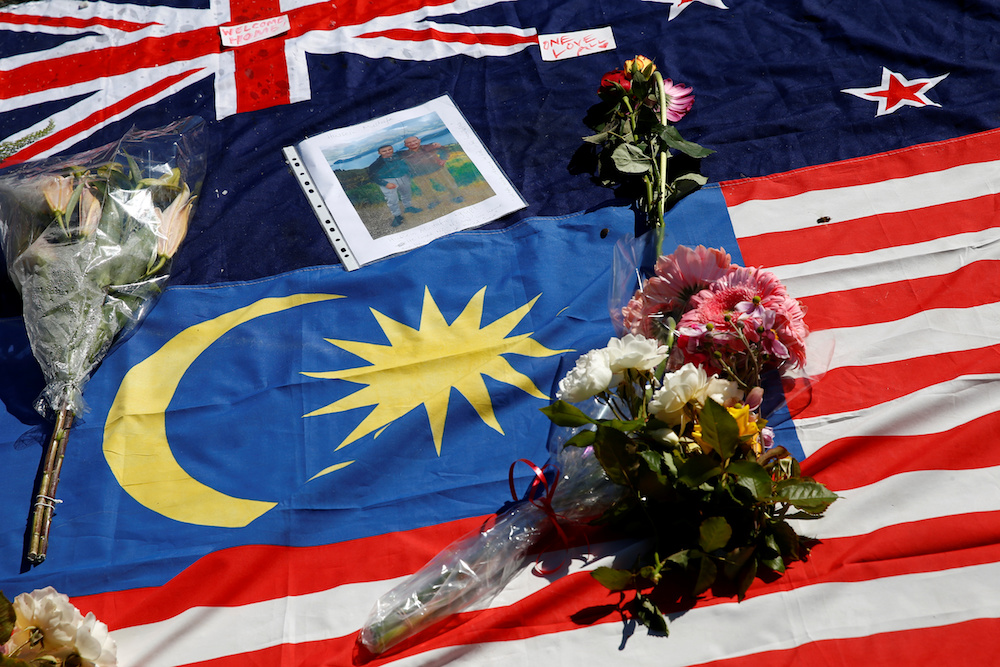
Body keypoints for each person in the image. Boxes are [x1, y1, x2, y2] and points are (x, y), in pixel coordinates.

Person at [398, 135, 464, 209]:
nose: (412, 143)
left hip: (437, 169)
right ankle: (433, 201)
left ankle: (457, 196)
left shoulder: (430, 146)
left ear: (419, 140)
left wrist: (443, 159)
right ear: (405, 145)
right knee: (426, 189)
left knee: (449, 182)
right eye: (409, 143)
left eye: (414, 141)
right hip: (419, 174)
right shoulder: (403, 154)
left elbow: (444, 149)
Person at [367, 144, 421, 226]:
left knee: (407, 194)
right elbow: (372, 176)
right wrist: (385, 184)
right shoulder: (375, 164)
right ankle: (397, 216)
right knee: (392, 199)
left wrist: (409, 174)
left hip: (403, 178)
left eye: (389, 149)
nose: (387, 152)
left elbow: (410, 154)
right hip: (388, 181)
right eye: (384, 151)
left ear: (392, 149)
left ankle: (408, 207)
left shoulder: (399, 156)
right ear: (379, 153)